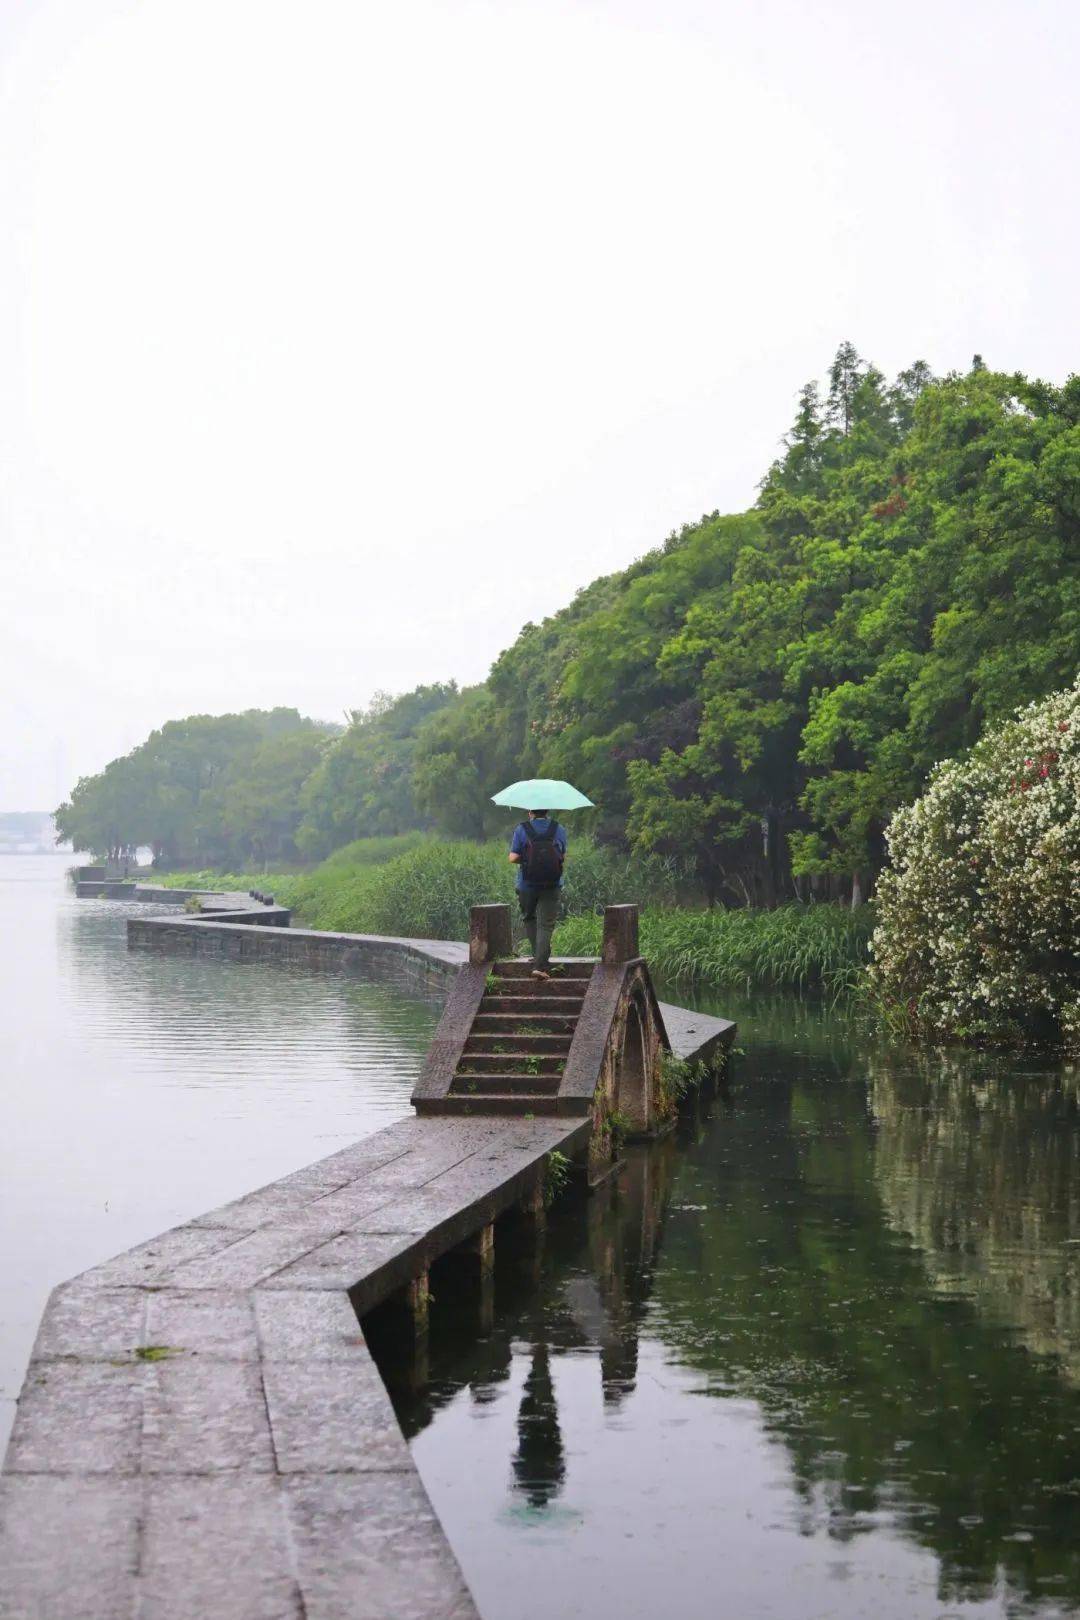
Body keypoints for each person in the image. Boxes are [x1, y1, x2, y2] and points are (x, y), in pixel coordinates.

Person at [508, 809, 567, 979]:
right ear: (547, 810)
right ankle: (540, 962)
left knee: (529, 917)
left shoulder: (522, 829)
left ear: (530, 812)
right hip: (552, 883)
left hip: (527, 884)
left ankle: (539, 963)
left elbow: (512, 858)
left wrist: (527, 858)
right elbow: (562, 856)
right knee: (546, 924)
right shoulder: (558, 828)